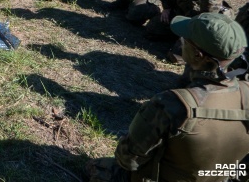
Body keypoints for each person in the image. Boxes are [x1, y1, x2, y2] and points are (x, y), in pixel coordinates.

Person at [84, 13, 249, 182]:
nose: (181, 43)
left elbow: (128, 160)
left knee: (99, 167)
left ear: (197, 55)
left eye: (184, 40)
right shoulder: (246, 93)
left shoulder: (172, 104)